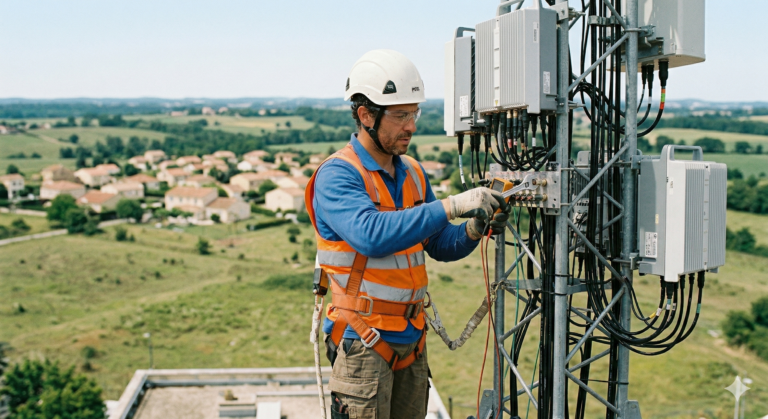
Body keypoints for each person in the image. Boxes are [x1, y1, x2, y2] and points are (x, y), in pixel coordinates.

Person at [305, 49, 509, 419]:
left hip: (410, 338)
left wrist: (474, 229)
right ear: (366, 115)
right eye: (400, 116)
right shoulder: (338, 175)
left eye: (414, 113)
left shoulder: (413, 172)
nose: (411, 125)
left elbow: (438, 243)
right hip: (363, 340)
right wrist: (450, 205)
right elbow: (371, 236)